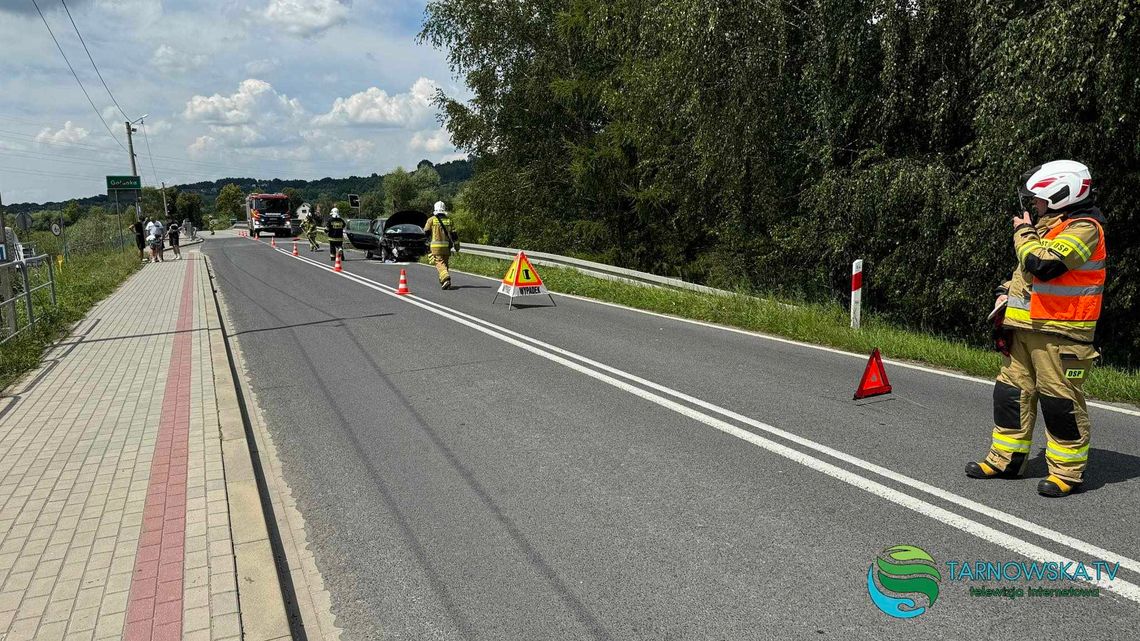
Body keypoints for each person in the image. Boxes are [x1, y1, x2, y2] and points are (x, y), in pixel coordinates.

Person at [966, 160, 1106, 498]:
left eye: (1040, 198)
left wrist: (1022, 232)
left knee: (1060, 403)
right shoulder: (1047, 227)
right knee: (1011, 395)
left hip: (1062, 335)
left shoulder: (1085, 227)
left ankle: (1067, 473)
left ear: (1062, 194)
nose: (1034, 205)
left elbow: (1044, 265)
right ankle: (1006, 460)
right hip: (1025, 329)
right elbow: (1024, 275)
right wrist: (1004, 291)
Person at [422, 201, 460, 289]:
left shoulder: (431, 220)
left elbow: (426, 233)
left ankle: (445, 278)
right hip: (446, 247)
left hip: (436, 247)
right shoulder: (449, 220)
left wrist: (425, 245)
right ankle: (445, 282)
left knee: (439, 263)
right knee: (445, 264)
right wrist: (457, 246)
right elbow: (454, 235)